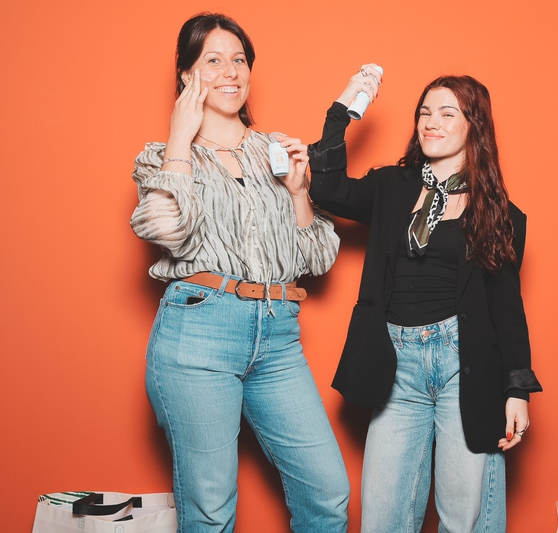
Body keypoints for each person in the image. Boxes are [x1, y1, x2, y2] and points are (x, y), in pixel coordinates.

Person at [129, 13, 349, 533]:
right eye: (213, 60)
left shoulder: (276, 151)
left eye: (239, 60)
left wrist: (299, 193)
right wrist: (180, 137)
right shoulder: (160, 158)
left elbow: (318, 259)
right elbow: (168, 230)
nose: (230, 72)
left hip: (278, 335)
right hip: (198, 334)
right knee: (211, 508)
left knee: (327, 492)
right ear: (187, 75)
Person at [307, 68, 542, 532]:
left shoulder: (500, 214)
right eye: (424, 112)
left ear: (474, 126)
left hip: (462, 362)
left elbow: (507, 310)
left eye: (447, 113)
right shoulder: (391, 187)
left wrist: (517, 390)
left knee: (461, 517)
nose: (431, 122)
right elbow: (327, 189)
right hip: (395, 365)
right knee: (383, 518)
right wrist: (341, 111)